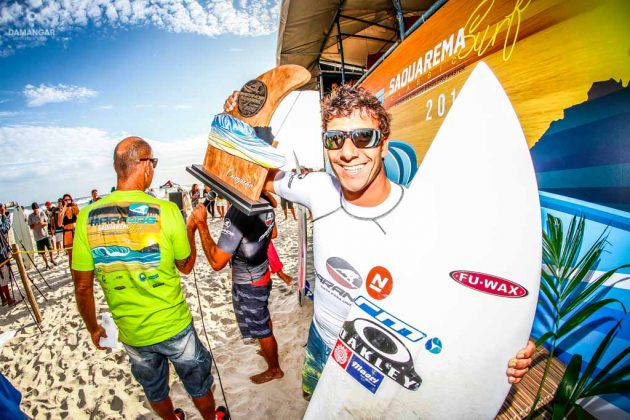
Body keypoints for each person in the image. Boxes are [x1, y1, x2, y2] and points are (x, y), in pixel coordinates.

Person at [224, 85, 535, 399]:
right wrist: (240, 122)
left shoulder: (420, 218)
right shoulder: (318, 189)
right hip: (320, 340)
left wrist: (508, 345)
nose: (347, 153)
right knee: (315, 404)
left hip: (374, 361)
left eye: (363, 137)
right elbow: (253, 175)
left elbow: (467, 301)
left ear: (384, 144)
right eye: (335, 140)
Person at [72, 136, 222, 420]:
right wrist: (192, 227)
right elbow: (186, 265)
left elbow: (82, 287)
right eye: (153, 161)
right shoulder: (165, 211)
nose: (154, 167)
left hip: (132, 331)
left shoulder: (87, 217)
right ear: (144, 166)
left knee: (155, 391)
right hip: (173, 323)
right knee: (198, 385)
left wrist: (93, 327)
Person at [191, 193, 284, 384]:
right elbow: (272, 233)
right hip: (262, 273)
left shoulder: (239, 211)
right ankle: (266, 349)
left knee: (261, 328)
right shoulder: (265, 200)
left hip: (250, 281)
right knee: (263, 318)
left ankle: (274, 369)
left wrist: (202, 224)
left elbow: (217, 262)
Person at [28, 202, 56, 269]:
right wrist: (36, 224)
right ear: (32, 209)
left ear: (38, 208)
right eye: (34, 209)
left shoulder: (42, 213)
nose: (36, 210)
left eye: (36, 208)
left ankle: (52, 259)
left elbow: (47, 222)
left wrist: (42, 223)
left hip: (45, 235)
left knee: (50, 248)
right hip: (38, 237)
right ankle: (46, 264)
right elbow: (31, 227)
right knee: (42, 252)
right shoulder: (30, 216)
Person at [57, 193, 79, 268]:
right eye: (65, 200)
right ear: (63, 201)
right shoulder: (61, 210)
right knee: (71, 257)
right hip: (68, 234)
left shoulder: (74, 207)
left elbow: (78, 214)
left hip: (76, 232)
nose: (67, 201)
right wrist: (64, 208)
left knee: (79, 255)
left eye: (69, 199)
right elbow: (59, 224)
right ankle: (73, 277)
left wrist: (74, 206)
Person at [0, 204, 16, 306]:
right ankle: (9, 299)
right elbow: (5, 227)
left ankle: (3, 299)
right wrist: (3, 214)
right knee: (3, 278)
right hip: (1, 256)